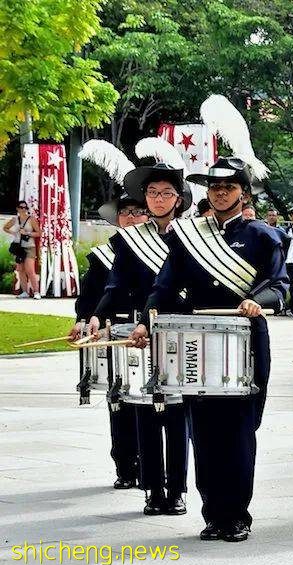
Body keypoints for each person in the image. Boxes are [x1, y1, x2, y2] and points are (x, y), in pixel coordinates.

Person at [130, 156, 288, 542]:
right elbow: (163, 286)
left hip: (245, 340)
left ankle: (237, 514)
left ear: (243, 193)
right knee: (203, 432)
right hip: (197, 343)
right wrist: (146, 320)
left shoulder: (262, 236)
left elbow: (279, 284)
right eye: (214, 187)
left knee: (239, 431)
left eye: (228, 187)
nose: (220, 193)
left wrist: (257, 301)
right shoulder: (189, 236)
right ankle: (212, 514)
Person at [87, 162, 192, 518]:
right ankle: (152, 489)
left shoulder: (194, 237)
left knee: (177, 413)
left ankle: (176, 489)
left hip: (178, 330)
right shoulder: (132, 239)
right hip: (139, 334)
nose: (158, 199)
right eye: (152, 193)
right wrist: (98, 315)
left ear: (178, 199)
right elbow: (115, 284)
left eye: (166, 193)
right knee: (144, 409)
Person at [68, 193, 148, 489]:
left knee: (151, 405)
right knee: (119, 401)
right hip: (112, 335)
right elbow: (88, 299)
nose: (131, 217)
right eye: (125, 212)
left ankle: (151, 467)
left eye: (138, 211)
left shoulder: (161, 249)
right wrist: (83, 320)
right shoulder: (103, 255)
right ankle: (125, 466)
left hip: (146, 336)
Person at [3, 200, 41, 299]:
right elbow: (5, 227)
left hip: (29, 247)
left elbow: (39, 233)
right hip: (18, 247)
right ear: (18, 208)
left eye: (25, 208)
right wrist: (14, 233)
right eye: (21, 207)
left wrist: (27, 233)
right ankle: (25, 292)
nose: (23, 209)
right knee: (21, 270)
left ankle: (36, 291)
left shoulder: (31, 219)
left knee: (30, 270)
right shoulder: (15, 219)